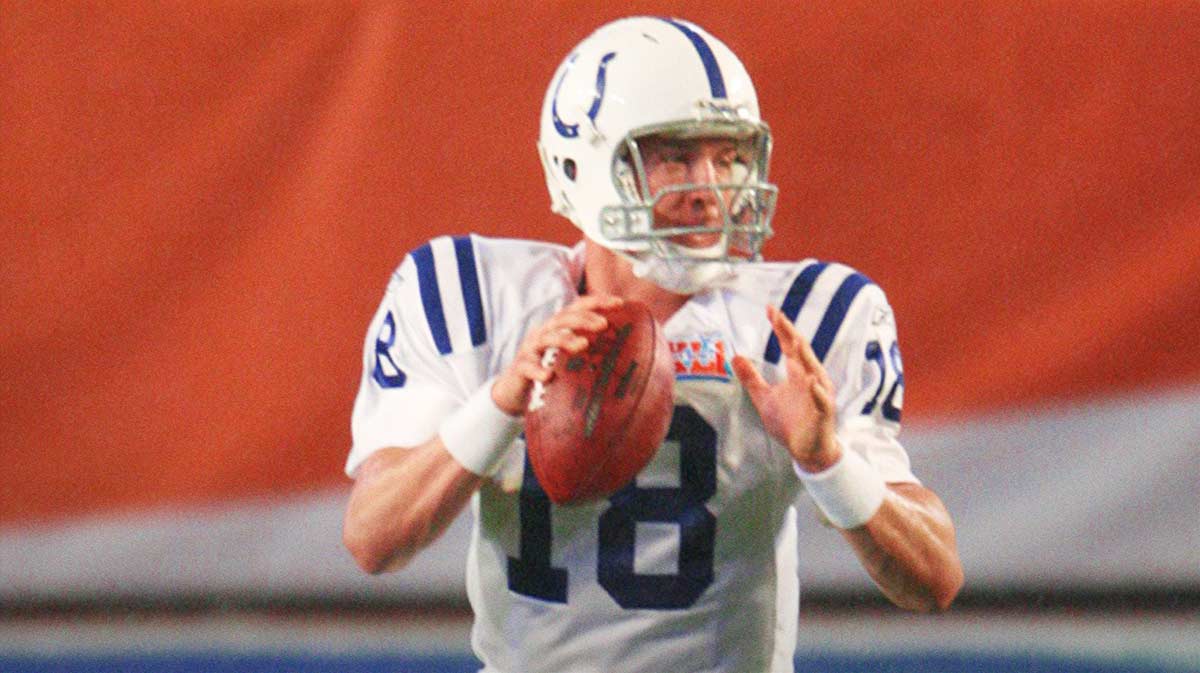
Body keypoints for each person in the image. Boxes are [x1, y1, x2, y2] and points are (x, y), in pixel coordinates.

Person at [343, 16, 963, 673]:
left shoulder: (805, 320)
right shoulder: (472, 299)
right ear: (582, 165)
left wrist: (829, 461)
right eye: (675, 157)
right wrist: (499, 405)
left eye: (729, 158)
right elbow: (374, 538)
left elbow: (934, 577)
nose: (711, 191)